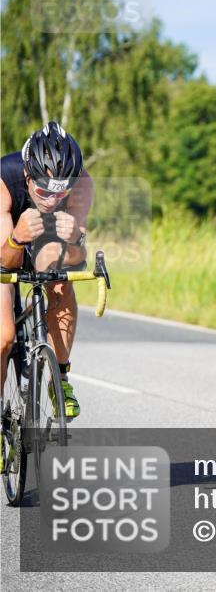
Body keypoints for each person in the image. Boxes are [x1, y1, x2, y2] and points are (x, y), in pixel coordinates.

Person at [1, 121, 94, 421]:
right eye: (43, 190)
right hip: (8, 241)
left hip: (48, 241)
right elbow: (4, 262)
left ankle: (61, 379)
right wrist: (17, 237)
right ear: (28, 176)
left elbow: (78, 260)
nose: (52, 200)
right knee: (3, 335)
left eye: (60, 192)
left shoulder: (81, 184)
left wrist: (76, 239)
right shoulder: (5, 181)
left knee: (58, 274)